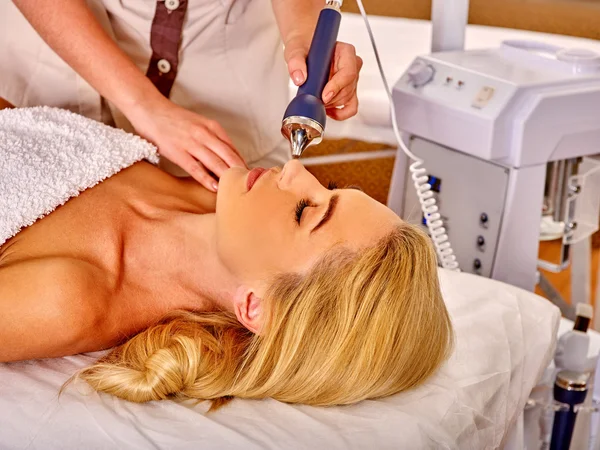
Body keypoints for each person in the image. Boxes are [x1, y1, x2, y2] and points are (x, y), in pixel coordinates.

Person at [0, 107, 453, 408]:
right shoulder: (209, 184)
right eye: (329, 188)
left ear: (255, 305)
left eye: (305, 211)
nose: (294, 170)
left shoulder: (69, 300)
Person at [1, 0, 363, 191]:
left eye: (305, 211)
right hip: (63, 51)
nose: (300, 182)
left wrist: (304, 36)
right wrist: (145, 106)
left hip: (227, 84)